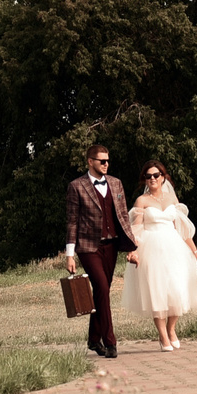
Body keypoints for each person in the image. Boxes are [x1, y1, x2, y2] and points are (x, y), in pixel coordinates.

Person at [124, 162, 197, 349]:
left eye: (156, 175)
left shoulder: (172, 198)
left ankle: (172, 329)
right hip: (151, 247)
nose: (152, 179)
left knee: (176, 289)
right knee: (157, 291)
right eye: (148, 176)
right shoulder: (142, 201)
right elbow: (135, 229)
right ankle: (163, 336)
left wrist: (195, 252)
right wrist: (133, 251)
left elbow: (183, 228)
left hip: (174, 247)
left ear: (163, 177)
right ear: (144, 180)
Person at [61, 144, 133, 359]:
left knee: (102, 292)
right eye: (101, 161)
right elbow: (72, 221)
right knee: (101, 287)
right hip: (88, 246)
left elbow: (123, 216)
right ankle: (110, 342)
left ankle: (93, 339)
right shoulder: (76, 186)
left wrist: (132, 246)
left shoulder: (116, 183)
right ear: (90, 161)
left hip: (111, 245)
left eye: (108, 160)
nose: (106, 164)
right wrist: (70, 254)